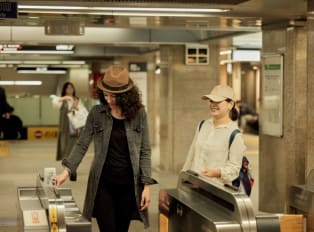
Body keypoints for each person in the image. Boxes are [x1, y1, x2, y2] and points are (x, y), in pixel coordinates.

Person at [55, 65, 157, 232]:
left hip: (128, 185)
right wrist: (66, 171)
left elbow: (145, 150)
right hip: (103, 183)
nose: (108, 100)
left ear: (126, 96)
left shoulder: (139, 114)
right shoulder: (97, 113)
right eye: (106, 94)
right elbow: (82, 143)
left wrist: (146, 186)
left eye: (114, 96)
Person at [159, 84, 246, 212]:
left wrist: (215, 172)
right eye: (211, 100)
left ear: (230, 104)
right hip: (194, 188)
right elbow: (191, 155)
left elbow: (234, 169)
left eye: (218, 101)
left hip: (216, 193)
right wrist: (181, 182)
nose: (213, 104)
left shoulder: (234, 134)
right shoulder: (202, 125)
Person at [52, 82, 82, 161]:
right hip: (64, 128)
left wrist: (78, 127)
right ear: (64, 89)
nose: (70, 89)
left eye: (71, 88)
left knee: (73, 147)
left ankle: (71, 166)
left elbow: (80, 113)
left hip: (74, 127)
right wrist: (65, 98)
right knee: (64, 147)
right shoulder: (62, 100)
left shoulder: (76, 99)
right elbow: (54, 103)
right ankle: (66, 164)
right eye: (68, 88)